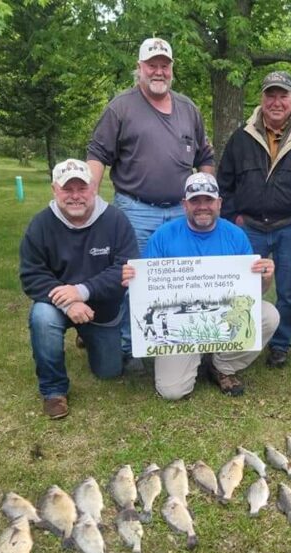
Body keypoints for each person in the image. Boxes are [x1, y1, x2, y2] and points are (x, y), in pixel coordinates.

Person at [86, 38, 215, 368]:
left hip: (180, 211)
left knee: (182, 279)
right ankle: (132, 348)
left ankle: (176, 339)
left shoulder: (189, 109)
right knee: (134, 280)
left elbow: (205, 157)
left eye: (165, 65)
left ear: (172, 69)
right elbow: (98, 154)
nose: (159, 71)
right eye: (152, 65)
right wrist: (90, 199)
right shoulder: (121, 107)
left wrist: (207, 196)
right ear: (140, 68)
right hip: (135, 209)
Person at [122, 172, 280, 400]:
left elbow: (253, 294)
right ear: (184, 204)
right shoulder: (164, 236)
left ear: (219, 203)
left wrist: (265, 277)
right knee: (172, 391)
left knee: (269, 315)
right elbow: (148, 291)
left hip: (222, 315)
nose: (202, 207)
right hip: (180, 324)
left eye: (208, 200)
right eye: (195, 201)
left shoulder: (236, 236)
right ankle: (195, 356)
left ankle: (222, 364)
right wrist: (134, 279)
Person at [218, 70, 291, 369]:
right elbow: (224, 184)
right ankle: (239, 337)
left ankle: (280, 343)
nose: (276, 102)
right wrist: (232, 219)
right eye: (271, 95)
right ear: (262, 99)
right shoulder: (241, 138)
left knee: (288, 289)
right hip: (249, 226)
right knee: (241, 286)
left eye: (283, 95)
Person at [19, 159, 138, 419]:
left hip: (103, 308)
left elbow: (125, 268)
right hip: (58, 304)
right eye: (67, 189)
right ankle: (53, 390)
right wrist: (69, 302)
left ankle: (87, 333)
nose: (75, 196)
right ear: (54, 189)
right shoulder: (40, 224)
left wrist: (83, 291)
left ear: (94, 188)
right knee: (42, 317)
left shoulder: (116, 220)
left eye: (82, 188)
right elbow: (31, 274)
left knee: (110, 372)